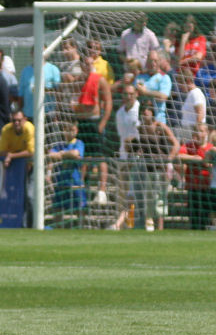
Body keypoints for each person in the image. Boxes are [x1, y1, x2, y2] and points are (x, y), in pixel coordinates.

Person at [74, 55, 113, 205]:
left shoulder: (100, 80)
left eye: (90, 63)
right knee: (83, 156)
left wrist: (102, 123)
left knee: (99, 156)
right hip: (81, 122)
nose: (88, 65)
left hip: (94, 122)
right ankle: (81, 185)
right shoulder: (78, 81)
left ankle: (102, 190)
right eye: (85, 63)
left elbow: (108, 103)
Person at [138, 104, 179, 231]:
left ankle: (160, 228)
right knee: (148, 198)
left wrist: (168, 160)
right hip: (147, 167)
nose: (146, 112)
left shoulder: (160, 126)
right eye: (144, 109)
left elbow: (176, 144)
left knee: (160, 198)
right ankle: (149, 226)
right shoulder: (139, 128)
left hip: (160, 168)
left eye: (148, 109)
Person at [109, 86, 141, 230]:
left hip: (138, 157)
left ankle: (129, 223)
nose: (128, 96)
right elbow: (122, 136)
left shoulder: (140, 110)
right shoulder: (120, 113)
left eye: (131, 94)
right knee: (122, 191)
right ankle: (124, 224)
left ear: (136, 94)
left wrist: (133, 145)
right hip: (124, 157)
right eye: (126, 94)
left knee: (134, 192)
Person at [46, 121, 85, 227]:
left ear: (76, 131)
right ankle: (58, 229)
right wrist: (67, 155)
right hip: (61, 182)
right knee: (58, 209)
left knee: (79, 209)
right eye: (67, 130)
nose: (70, 133)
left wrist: (62, 154)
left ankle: (82, 228)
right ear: (63, 131)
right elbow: (51, 155)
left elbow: (75, 153)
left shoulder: (79, 143)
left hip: (75, 182)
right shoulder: (59, 145)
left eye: (72, 130)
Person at [178, 122, 215, 229]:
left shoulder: (211, 148)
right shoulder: (190, 146)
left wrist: (207, 164)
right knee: (194, 219)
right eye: (197, 131)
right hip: (192, 187)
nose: (199, 134)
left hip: (208, 188)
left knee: (205, 218)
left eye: (202, 131)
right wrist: (195, 158)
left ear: (207, 133)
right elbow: (180, 156)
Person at [18, 47, 61, 122]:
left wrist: (42, 90)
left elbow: (58, 92)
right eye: (36, 51)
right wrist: (20, 111)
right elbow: (21, 93)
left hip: (47, 113)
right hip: (28, 113)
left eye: (43, 51)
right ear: (31, 53)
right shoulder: (25, 70)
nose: (39, 54)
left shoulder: (53, 69)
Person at [136, 50, 172, 126]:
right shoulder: (140, 76)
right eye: (150, 61)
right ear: (146, 62)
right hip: (139, 120)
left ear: (159, 62)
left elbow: (163, 97)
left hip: (158, 122)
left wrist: (145, 92)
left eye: (155, 61)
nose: (153, 63)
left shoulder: (164, 78)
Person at [177, 67, 206, 142]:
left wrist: (196, 133)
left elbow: (200, 114)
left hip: (193, 133)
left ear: (189, 81)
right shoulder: (190, 94)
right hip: (187, 132)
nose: (179, 86)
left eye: (181, 82)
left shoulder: (195, 93)